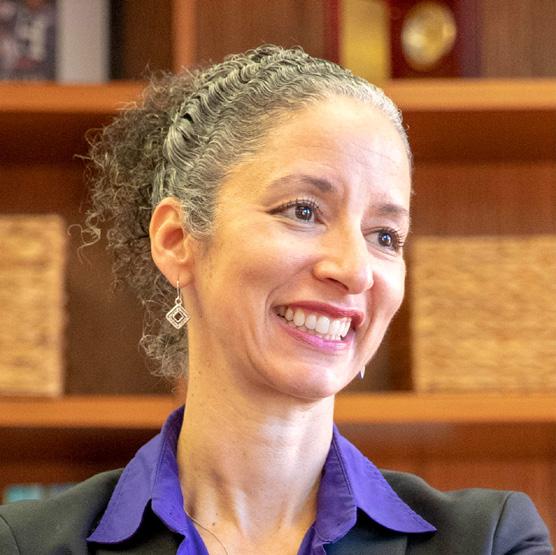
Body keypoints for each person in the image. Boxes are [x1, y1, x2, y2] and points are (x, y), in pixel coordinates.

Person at [0, 45, 552, 554]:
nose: (355, 270)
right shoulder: (24, 544)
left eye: (385, 236)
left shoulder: (490, 541)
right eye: (303, 211)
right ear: (177, 240)